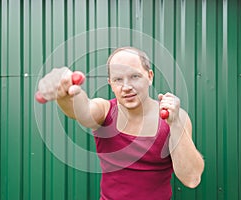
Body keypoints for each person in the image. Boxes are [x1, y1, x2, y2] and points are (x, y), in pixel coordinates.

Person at [37, 47, 204, 200]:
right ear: (110, 83)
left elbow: (191, 178)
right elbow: (83, 109)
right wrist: (65, 94)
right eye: (118, 79)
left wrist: (175, 124)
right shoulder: (105, 111)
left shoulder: (175, 117)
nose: (126, 87)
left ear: (150, 76)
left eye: (134, 76)